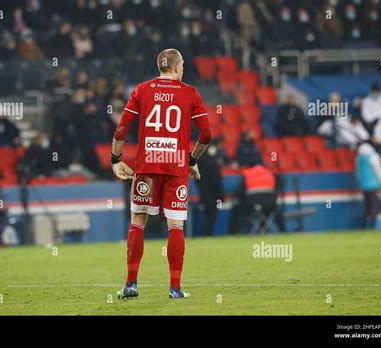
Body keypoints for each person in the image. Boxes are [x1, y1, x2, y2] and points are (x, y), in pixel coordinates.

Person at [111, 48, 211, 299]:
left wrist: (115, 159)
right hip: (176, 167)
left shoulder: (142, 90)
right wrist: (191, 160)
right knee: (175, 226)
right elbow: (207, 135)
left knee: (137, 222)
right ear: (177, 67)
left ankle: (131, 285)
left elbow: (122, 129)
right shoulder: (190, 93)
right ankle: (175, 288)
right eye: (183, 65)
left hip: (147, 166)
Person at [228, 161, 277, 235]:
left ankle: (233, 233)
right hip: (269, 206)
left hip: (251, 205)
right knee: (267, 213)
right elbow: (276, 191)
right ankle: (263, 229)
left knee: (236, 209)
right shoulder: (269, 173)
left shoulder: (247, 174)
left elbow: (239, 193)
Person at [355, 141, 381, 229]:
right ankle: (373, 227)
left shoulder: (358, 158)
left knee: (367, 207)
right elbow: (379, 170)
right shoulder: (373, 157)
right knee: (375, 207)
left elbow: (358, 174)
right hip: (374, 186)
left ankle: (363, 226)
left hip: (364, 186)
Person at [196, 144, 224, 236]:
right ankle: (207, 233)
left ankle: (208, 233)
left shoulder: (200, 162)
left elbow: (197, 179)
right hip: (213, 195)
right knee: (212, 216)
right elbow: (217, 181)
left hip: (203, 194)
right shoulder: (213, 163)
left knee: (208, 215)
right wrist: (221, 196)